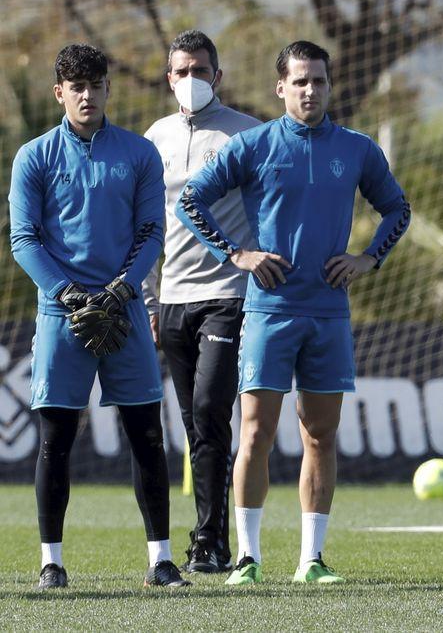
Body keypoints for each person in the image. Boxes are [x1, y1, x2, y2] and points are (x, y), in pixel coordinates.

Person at [177, 40, 411, 586]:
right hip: (269, 311)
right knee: (255, 433)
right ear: (281, 87)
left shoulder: (356, 149)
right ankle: (247, 558)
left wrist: (368, 258)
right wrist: (236, 253)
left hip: (328, 314)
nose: (311, 90)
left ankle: (312, 559)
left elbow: (398, 207)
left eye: (319, 81)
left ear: (330, 86)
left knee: (320, 436)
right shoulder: (254, 145)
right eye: (300, 81)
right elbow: (193, 199)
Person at [9, 43, 189, 589]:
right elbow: (24, 240)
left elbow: (151, 233)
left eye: (96, 85)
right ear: (59, 92)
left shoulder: (138, 154)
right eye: (76, 87)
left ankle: (160, 560)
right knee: (54, 438)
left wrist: (120, 289)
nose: (87, 95)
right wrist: (66, 295)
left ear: (109, 88)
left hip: (123, 310)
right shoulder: (34, 156)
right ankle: (51, 562)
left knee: (146, 434)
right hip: (62, 315)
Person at [143, 29, 261, 573]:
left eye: (200, 70)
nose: (190, 80)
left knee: (213, 411)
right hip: (171, 300)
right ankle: (208, 534)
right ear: (169, 78)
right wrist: (146, 298)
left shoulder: (248, 134)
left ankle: (210, 540)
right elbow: (143, 225)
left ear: (219, 75)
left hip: (227, 297)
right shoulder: (155, 138)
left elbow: (272, 208)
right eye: (180, 71)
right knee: (195, 424)